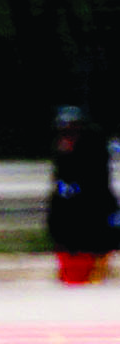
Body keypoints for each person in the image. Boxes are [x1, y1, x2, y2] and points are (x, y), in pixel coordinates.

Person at [48, 106, 118, 284]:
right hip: (70, 221)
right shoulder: (61, 155)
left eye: (72, 130)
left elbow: (97, 187)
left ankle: (91, 275)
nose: (67, 137)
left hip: (92, 216)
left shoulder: (93, 153)